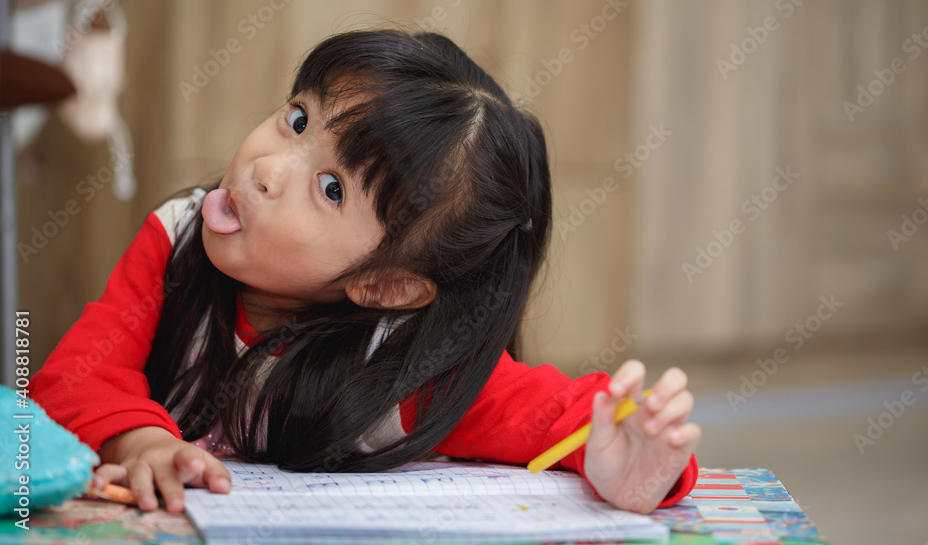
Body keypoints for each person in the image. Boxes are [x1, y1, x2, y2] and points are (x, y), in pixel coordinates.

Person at [29, 30, 700, 515]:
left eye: (329, 188)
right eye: (297, 119)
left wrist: (631, 464)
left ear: (387, 284)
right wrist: (142, 440)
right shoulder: (175, 238)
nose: (266, 166)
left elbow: (560, 416)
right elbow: (74, 375)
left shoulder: (407, 367)